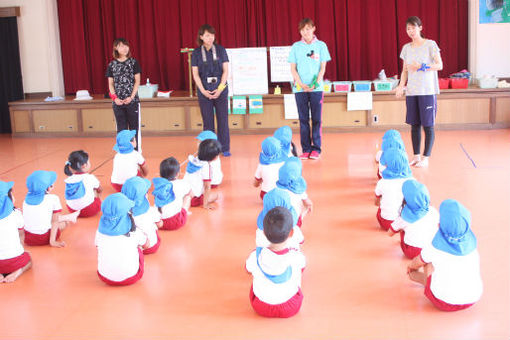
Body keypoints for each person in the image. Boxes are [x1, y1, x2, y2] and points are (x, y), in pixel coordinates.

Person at [407, 199, 483, 311]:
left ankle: (420, 279)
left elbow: (418, 261)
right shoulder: (472, 247)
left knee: (427, 261)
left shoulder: (434, 247)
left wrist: (410, 267)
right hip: (472, 298)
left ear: (439, 225)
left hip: (443, 301)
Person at [395, 16, 443, 168]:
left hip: (427, 91)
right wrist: (401, 86)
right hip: (412, 92)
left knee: (428, 125)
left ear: (420, 28)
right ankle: (416, 157)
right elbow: (404, 71)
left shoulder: (431, 44)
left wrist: (422, 66)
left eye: (413, 28)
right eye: (408, 28)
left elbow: (439, 65)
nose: (411, 31)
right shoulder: (406, 48)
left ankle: (426, 157)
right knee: (414, 124)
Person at [246, 206, 306, 318]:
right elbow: (302, 267)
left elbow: (248, 269)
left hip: (260, 306)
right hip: (290, 307)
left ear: (263, 232)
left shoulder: (256, 255)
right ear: (291, 233)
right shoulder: (295, 255)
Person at [288, 18, 331, 160]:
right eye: (302, 29)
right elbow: (293, 69)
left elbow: (323, 68)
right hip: (300, 89)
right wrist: (300, 84)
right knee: (303, 119)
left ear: (313, 29)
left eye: (307, 29)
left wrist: (315, 83)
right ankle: (306, 149)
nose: (305, 32)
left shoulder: (321, 45)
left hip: (316, 89)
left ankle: (316, 149)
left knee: (317, 119)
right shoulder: (295, 47)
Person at [191, 24, 231, 157]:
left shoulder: (220, 50)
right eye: (207, 35)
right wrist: (202, 90)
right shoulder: (196, 53)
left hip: (220, 89)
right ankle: (209, 149)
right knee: (207, 121)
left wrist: (220, 89)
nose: (210, 38)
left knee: (223, 120)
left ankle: (224, 148)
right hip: (204, 91)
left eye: (212, 35)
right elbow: (195, 74)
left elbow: (226, 71)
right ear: (201, 37)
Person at [95, 193, 149, 286]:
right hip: (132, 277)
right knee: (138, 248)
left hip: (105, 277)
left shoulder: (99, 232)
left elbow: (97, 246)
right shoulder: (134, 232)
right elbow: (146, 245)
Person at [22, 171, 78, 247]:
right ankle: (68, 218)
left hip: (28, 238)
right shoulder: (53, 198)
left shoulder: (26, 200)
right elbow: (54, 221)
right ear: (48, 188)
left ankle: (69, 217)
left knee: (47, 216)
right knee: (64, 223)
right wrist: (53, 241)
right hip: (44, 238)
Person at [388, 179, 439, 259]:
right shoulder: (433, 211)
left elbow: (390, 233)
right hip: (430, 250)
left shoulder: (404, 217)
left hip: (412, 252)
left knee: (403, 228)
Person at [106, 38, 142, 149]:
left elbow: (137, 81)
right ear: (116, 48)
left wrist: (131, 97)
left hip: (132, 101)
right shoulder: (112, 65)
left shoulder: (133, 62)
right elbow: (111, 84)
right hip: (118, 102)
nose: (125, 48)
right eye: (121, 46)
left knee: (134, 128)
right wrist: (115, 98)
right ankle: (123, 150)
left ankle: (135, 151)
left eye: (126, 45)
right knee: (121, 128)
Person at [0, 181, 32, 283]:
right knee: (29, 259)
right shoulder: (16, 214)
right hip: (13, 261)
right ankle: (18, 272)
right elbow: (21, 234)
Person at [122, 177, 162, 255]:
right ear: (145, 195)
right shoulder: (151, 210)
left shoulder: (123, 212)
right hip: (151, 246)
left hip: (133, 249)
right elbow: (160, 224)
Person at [374, 149, 412, 231]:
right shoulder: (411, 180)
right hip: (406, 222)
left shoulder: (382, 182)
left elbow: (376, 203)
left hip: (386, 222)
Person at [152, 157, 192, 230]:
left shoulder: (158, 184)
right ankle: (185, 211)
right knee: (188, 196)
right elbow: (191, 193)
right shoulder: (181, 183)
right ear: (177, 174)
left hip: (159, 223)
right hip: (175, 222)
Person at [183, 139, 222, 209]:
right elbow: (207, 187)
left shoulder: (194, 160)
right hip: (193, 198)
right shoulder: (207, 167)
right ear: (215, 157)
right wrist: (206, 204)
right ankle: (201, 202)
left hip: (182, 195)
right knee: (216, 196)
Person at [64, 150, 102, 217]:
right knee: (95, 189)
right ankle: (96, 202)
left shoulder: (69, 178)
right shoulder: (90, 177)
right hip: (89, 210)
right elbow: (99, 189)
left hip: (72, 209)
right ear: (84, 165)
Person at [276, 157, 313, 227]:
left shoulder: (277, 189)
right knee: (301, 204)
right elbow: (308, 203)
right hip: (294, 222)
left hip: (279, 223)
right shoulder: (300, 191)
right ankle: (299, 219)